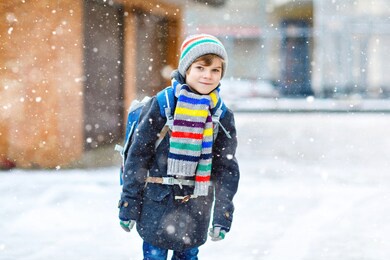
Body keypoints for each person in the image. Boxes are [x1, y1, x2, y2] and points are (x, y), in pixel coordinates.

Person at [118, 34, 240, 260]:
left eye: (216, 70)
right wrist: (128, 205)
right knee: (154, 256)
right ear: (186, 69)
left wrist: (222, 215)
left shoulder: (222, 116)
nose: (208, 75)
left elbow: (226, 169)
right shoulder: (162, 104)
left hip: (196, 208)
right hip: (156, 202)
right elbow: (138, 156)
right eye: (201, 67)